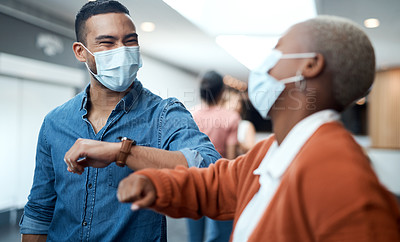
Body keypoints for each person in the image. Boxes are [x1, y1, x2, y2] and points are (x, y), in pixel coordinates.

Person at [115, 16, 400, 241]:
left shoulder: (339, 170)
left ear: (311, 65)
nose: (264, 64)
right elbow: (216, 184)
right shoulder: (273, 149)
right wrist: (156, 184)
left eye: (277, 50)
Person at [19, 0, 220, 241]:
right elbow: (39, 211)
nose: (122, 50)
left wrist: (121, 152)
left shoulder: (164, 114)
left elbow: (211, 170)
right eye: (107, 42)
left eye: (130, 41)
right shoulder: (55, 122)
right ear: (81, 52)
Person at [187, 71, 240, 242]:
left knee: (195, 236)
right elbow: (230, 158)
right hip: (220, 181)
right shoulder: (231, 117)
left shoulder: (189, 115)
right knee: (222, 235)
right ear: (221, 92)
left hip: (194, 180)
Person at [221, 87, 256, 155]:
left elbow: (252, 150)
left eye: (238, 102)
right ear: (223, 104)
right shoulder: (218, 125)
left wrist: (237, 143)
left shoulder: (246, 125)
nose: (235, 105)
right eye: (231, 101)